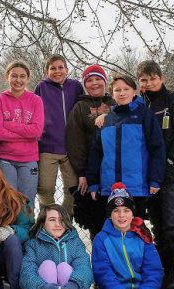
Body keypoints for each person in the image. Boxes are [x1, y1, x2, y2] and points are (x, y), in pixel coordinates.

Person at [136, 60, 174, 289]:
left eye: (152, 78)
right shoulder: (138, 104)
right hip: (146, 174)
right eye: (144, 80)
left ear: (161, 78)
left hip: (172, 172)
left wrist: (171, 158)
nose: (149, 83)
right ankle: (165, 275)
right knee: (158, 226)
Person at [86, 74, 165, 219]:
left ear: (134, 91)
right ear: (112, 94)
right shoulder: (106, 120)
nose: (122, 93)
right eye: (117, 90)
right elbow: (96, 154)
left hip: (136, 187)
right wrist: (93, 182)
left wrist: (155, 178)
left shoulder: (144, 115)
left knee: (136, 228)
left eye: (126, 89)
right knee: (112, 229)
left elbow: (157, 148)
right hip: (109, 187)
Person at [65, 64, 114, 235]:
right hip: (92, 171)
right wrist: (82, 172)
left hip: (116, 170)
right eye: (90, 80)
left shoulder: (115, 102)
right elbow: (74, 142)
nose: (94, 83)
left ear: (105, 81)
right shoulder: (80, 107)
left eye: (98, 79)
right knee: (96, 219)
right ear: (84, 85)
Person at [34, 55, 84, 215]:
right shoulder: (42, 87)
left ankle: (65, 219)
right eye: (53, 68)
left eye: (60, 67)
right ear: (46, 71)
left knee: (72, 187)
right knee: (45, 187)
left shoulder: (75, 86)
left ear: (67, 69)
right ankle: (47, 219)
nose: (57, 71)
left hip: (71, 147)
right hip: (48, 146)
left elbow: (82, 109)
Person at [0, 62, 44, 203]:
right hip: (5, 159)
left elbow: (37, 131)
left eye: (22, 76)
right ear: (7, 77)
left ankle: (26, 225)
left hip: (29, 159)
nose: (18, 80)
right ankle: (8, 225)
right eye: (14, 76)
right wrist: (25, 134)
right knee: (8, 201)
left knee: (27, 202)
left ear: (27, 79)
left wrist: (9, 125)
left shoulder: (36, 100)